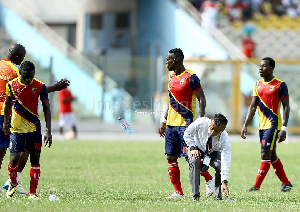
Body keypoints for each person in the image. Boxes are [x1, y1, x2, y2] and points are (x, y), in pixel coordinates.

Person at [0, 43, 69, 194]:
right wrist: (55, 88)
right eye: (22, 57)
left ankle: (11, 183)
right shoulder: (16, 70)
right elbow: (32, 88)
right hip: (13, 115)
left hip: (5, 113)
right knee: (25, 149)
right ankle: (12, 182)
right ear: (19, 57)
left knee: (3, 150)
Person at [158, 48, 214, 198]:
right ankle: (178, 192)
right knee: (171, 156)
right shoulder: (171, 77)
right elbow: (170, 102)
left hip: (186, 125)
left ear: (175, 60)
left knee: (191, 157)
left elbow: (202, 98)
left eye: (168, 60)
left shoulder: (191, 77)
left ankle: (210, 180)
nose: (166, 62)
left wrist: (201, 121)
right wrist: (164, 120)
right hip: (171, 125)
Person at [241, 57, 293, 192]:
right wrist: (245, 125)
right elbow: (252, 107)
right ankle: (286, 183)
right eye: (260, 66)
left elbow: (286, 107)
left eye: (264, 66)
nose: (260, 68)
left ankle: (256, 186)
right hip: (262, 126)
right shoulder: (257, 84)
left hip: (273, 125)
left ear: (271, 68)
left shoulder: (280, 85)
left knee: (265, 154)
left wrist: (284, 128)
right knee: (272, 155)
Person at [3, 61, 51, 199]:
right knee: (13, 160)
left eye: (30, 76)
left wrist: (48, 130)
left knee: (35, 159)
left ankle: (32, 193)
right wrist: (5, 124)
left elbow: (47, 108)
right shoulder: (11, 86)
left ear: (34, 73)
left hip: (34, 129)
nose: (28, 79)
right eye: (25, 76)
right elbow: (7, 105)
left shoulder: (40, 86)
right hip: (16, 129)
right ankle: (12, 184)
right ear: (20, 74)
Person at [184, 113, 231, 201]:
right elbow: (187, 133)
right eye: (211, 128)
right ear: (210, 123)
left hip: (212, 152)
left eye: (217, 131)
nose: (212, 132)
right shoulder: (201, 122)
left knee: (220, 165)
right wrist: (192, 147)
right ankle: (196, 196)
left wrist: (224, 181)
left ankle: (218, 196)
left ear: (223, 129)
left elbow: (226, 159)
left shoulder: (225, 138)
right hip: (196, 148)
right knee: (194, 161)